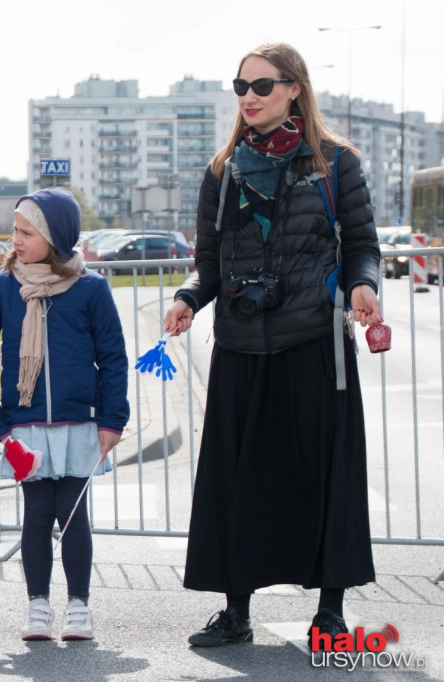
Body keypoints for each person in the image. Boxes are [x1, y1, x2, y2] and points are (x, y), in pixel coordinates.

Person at [162, 43, 381, 648]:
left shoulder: (336, 163)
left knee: (323, 479)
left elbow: (362, 243)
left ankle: (330, 615)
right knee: (239, 483)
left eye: (262, 85)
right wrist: (186, 297)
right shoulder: (222, 170)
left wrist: (363, 285)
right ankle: (236, 613)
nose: (249, 96)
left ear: (294, 90)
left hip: (315, 345)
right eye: (241, 86)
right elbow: (207, 263)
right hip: (241, 346)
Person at [0, 188, 129, 642]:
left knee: (73, 516)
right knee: (36, 516)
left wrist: (112, 420)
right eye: (15, 229)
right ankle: (37, 606)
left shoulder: (91, 289)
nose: (14, 238)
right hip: (24, 427)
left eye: (25, 231)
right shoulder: (2, 288)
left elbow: (113, 356)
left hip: (79, 425)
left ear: (54, 237)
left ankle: (79, 607)